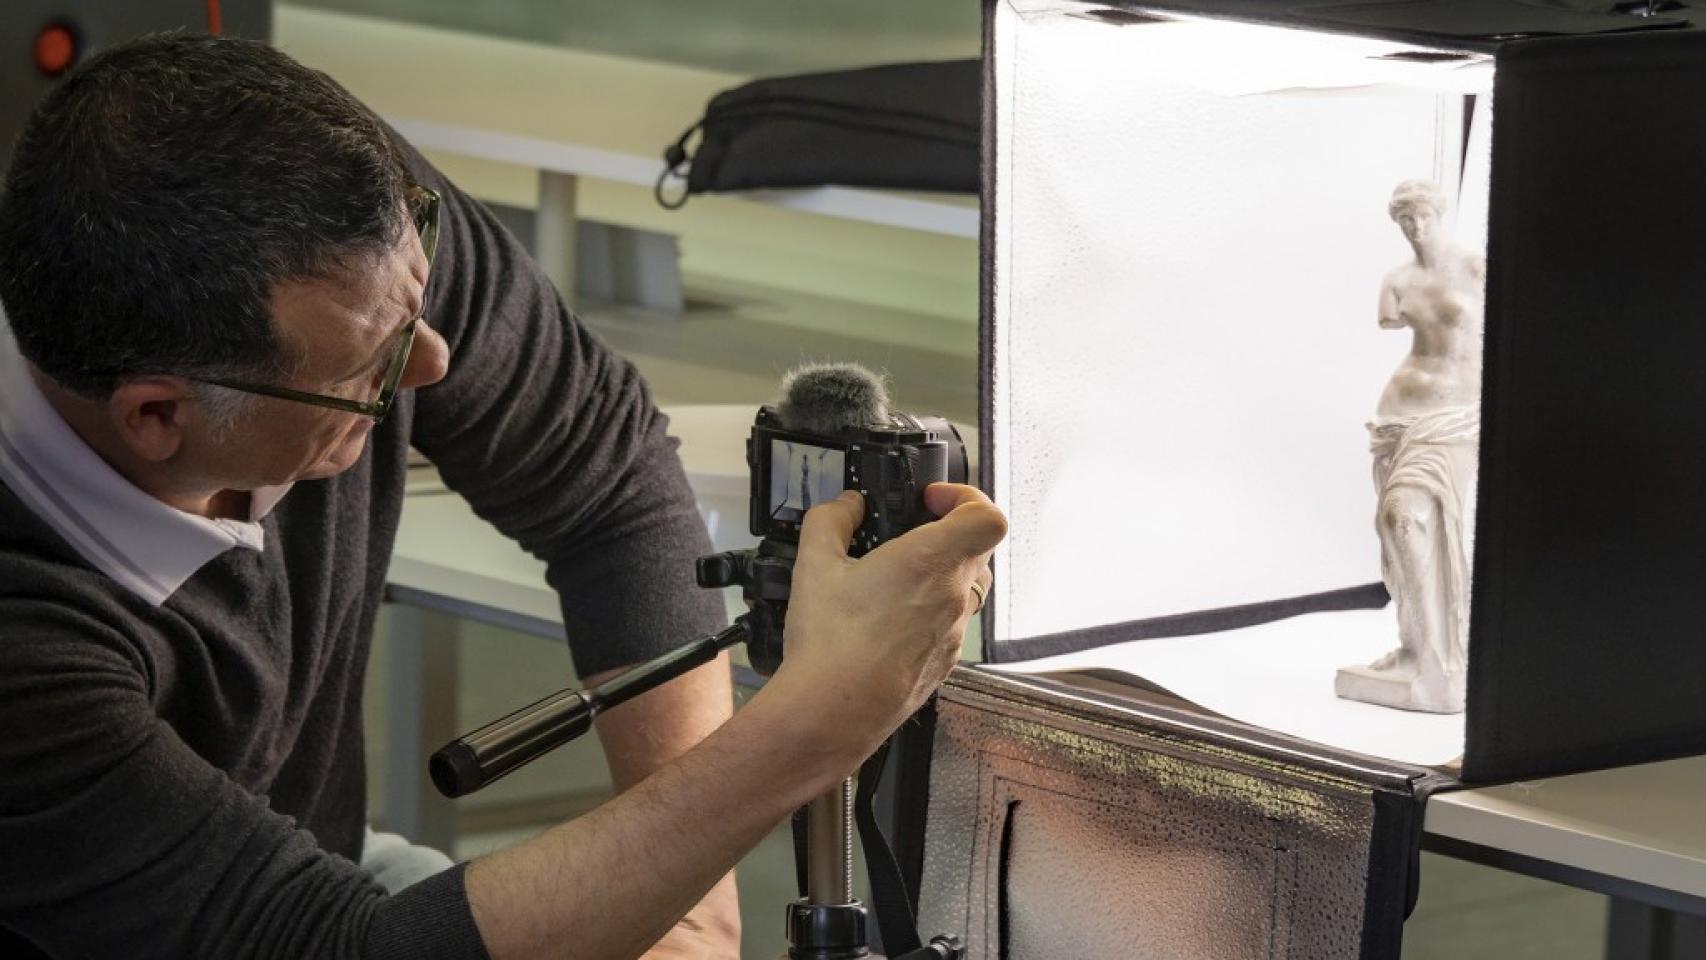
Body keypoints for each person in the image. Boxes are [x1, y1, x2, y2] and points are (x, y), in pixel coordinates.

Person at [0, 34, 1005, 960]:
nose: (433, 362)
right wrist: (813, 728)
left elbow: (606, 480)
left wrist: (685, 922)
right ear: (156, 418)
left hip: (322, 878)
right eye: (375, 365)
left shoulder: (340, 229)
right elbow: (332, 948)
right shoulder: (27, 649)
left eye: (420, 301)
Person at [1335, 179, 1483, 714]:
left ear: (1438, 213)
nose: (1415, 227)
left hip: (1455, 416)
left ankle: (1446, 660)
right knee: (1397, 530)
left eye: (1422, 215)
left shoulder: (1475, 267)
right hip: (1399, 414)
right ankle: (1419, 649)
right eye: (1405, 220)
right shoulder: (1396, 283)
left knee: (1410, 517)